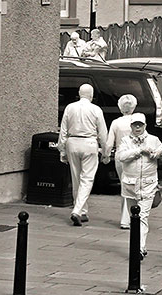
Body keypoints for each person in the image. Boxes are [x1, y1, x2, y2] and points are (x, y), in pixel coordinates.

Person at [117, 112, 162, 258]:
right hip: (130, 186)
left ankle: (138, 248)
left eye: (140, 125)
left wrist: (160, 151)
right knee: (133, 218)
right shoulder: (125, 141)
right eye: (135, 125)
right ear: (131, 126)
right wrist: (139, 151)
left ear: (145, 125)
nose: (138, 127)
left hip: (148, 185)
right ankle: (140, 246)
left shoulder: (153, 140)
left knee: (142, 217)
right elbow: (121, 157)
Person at [58, 83, 109, 226]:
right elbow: (103, 133)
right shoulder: (96, 109)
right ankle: (77, 210)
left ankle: (82, 211)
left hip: (72, 143)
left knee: (76, 179)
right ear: (91, 95)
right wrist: (105, 152)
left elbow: (63, 131)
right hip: (89, 143)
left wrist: (62, 149)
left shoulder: (70, 107)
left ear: (79, 94)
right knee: (87, 179)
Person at [105, 94, 138, 229]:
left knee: (124, 185)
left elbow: (108, 143)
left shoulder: (116, 123)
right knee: (132, 186)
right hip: (134, 155)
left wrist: (106, 156)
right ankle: (129, 216)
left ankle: (127, 217)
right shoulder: (137, 121)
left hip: (120, 155)